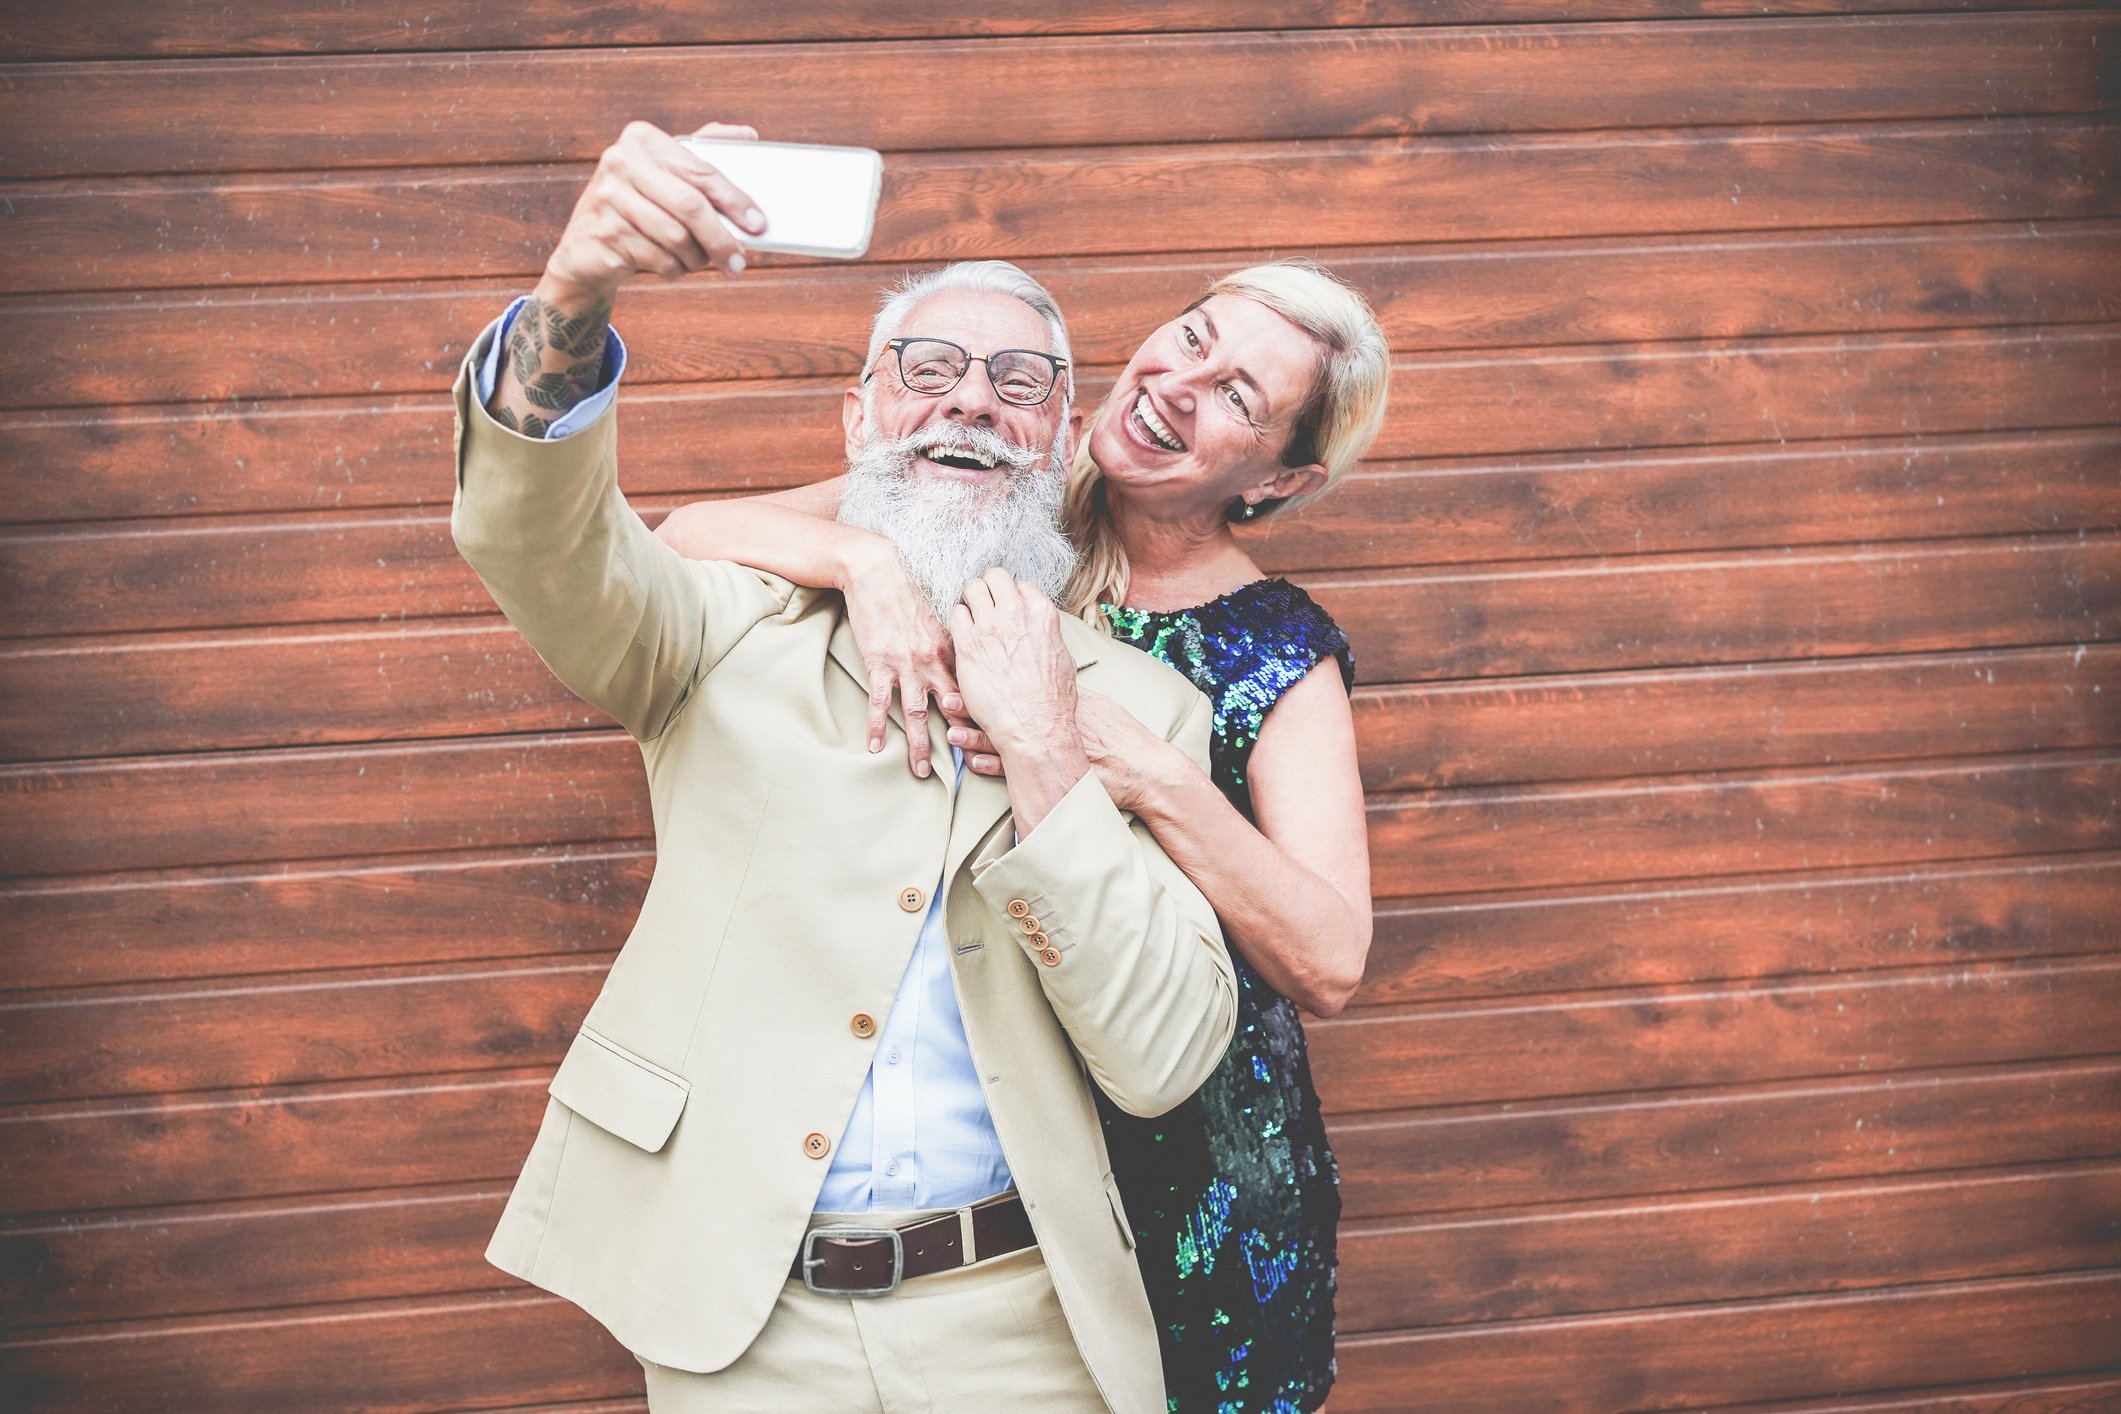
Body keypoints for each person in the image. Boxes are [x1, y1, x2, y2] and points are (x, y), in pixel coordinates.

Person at [451, 118, 1241, 1413]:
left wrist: (1048, 754)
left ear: (1060, 441)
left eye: (1018, 383)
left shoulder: (1145, 708)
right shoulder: (717, 629)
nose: (970, 400)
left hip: (1023, 1332)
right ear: (859, 414)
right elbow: (541, 544)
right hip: (747, 1329)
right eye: (925, 369)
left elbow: (1163, 1053)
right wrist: (575, 295)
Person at [656, 259, 1390, 1411]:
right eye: (1190, 334)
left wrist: (1145, 771)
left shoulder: (1275, 650)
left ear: (1282, 477)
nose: (1180, 383)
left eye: (1239, 395)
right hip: (1006, 1133)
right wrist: (865, 558)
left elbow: (1332, 957)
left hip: (1192, 1152)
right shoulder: (998, 482)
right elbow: (688, 531)